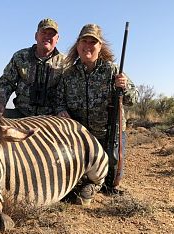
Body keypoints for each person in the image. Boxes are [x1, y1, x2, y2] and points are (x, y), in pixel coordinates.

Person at [56, 24, 138, 196]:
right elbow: (58, 101)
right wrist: (61, 110)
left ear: (100, 46)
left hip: (108, 135)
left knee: (111, 181)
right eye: (84, 41)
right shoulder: (68, 74)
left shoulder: (113, 70)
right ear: (77, 45)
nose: (88, 45)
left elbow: (133, 98)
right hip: (80, 138)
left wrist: (124, 87)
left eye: (93, 42)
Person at [0, 18, 66, 118]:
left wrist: (61, 110)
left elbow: (66, 91)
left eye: (51, 34)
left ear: (57, 39)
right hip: (21, 114)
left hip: (51, 118)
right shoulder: (20, 56)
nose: (47, 36)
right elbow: (6, 82)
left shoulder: (65, 62)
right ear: (36, 36)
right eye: (43, 32)